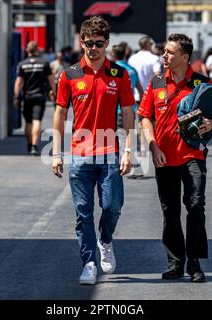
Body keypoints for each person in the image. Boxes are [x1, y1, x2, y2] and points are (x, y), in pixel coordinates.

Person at [138, 34, 212, 283]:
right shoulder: (156, 83)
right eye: (164, 51)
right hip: (164, 157)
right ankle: (175, 263)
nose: (164, 56)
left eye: (169, 52)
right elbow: (145, 116)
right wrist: (152, 146)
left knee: (196, 205)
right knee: (170, 211)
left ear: (184, 57)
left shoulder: (202, 83)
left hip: (193, 155)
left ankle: (195, 263)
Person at [52, 16, 135, 285]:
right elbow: (60, 112)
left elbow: (129, 114)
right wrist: (56, 152)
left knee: (112, 206)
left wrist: (128, 151)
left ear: (107, 43)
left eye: (99, 43)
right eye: (89, 43)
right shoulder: (70, 74)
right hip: (79, 154)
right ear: (82, 42)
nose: (93, 48)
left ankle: (106, 240)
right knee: (83, 211)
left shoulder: (119, 74)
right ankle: (88, 263)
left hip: (110, 151)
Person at [14, 41, 56, 156]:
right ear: (37, 50)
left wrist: (16, 97)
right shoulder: (44, 63)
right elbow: (51, 80)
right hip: (40, 96)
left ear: (27, 50)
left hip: (27, 96)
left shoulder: (22, 64)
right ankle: (34, 146)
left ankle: (29, 143)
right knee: (37, 120)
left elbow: (18, 82)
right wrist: (55, 93)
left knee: (28, 122)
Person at [111, 43, 145, 178]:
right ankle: (125, 164)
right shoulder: (132, 70)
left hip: (116, 109)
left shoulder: (112, 70)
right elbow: (140, 90)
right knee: (127, 136)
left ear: (113, 54)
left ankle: (125, 166)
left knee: (118, 137)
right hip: (131, 108)